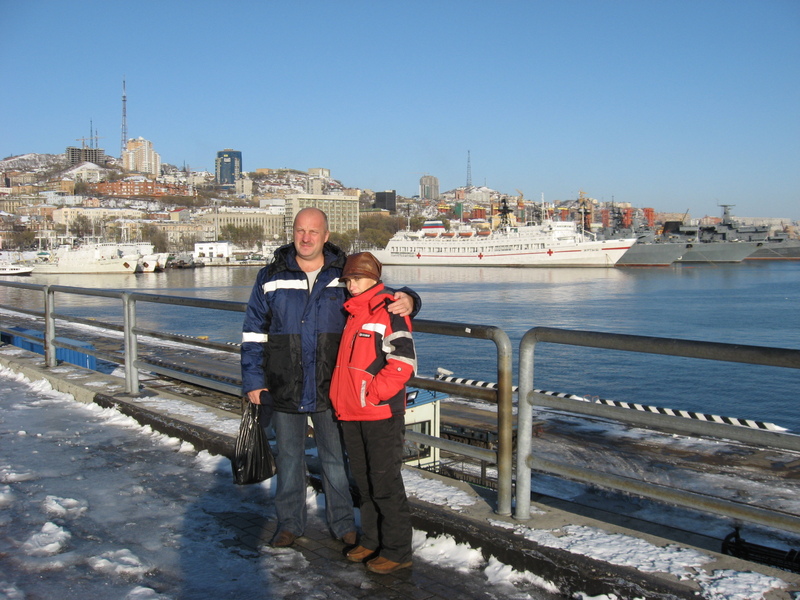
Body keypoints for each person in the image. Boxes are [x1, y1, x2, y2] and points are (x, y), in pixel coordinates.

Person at [240, 207, 419, 549]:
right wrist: (253, 380)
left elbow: (379, 294)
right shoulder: (270, 275)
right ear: (292, 233)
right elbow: (253, 333)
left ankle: (342, 523)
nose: (306, 238)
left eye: (313, 232)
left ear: (325, 236)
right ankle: (290, 523)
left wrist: (410, 297)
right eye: (300, 231)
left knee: (335, 460)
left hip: (331, 385)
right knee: (289, 459)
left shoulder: (343, 273)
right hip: (284, 383)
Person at [329, 252, 416, 575]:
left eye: (358, 279)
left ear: (375, 278)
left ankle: (397, 550)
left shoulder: (388, 308)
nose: (352, 285)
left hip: (378, 412)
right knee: (364, 482)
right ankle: (371, 538)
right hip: (352, 411)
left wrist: (373, 395)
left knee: (385, 482)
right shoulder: (353, 312)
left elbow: (403, 362)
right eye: (349, 279)